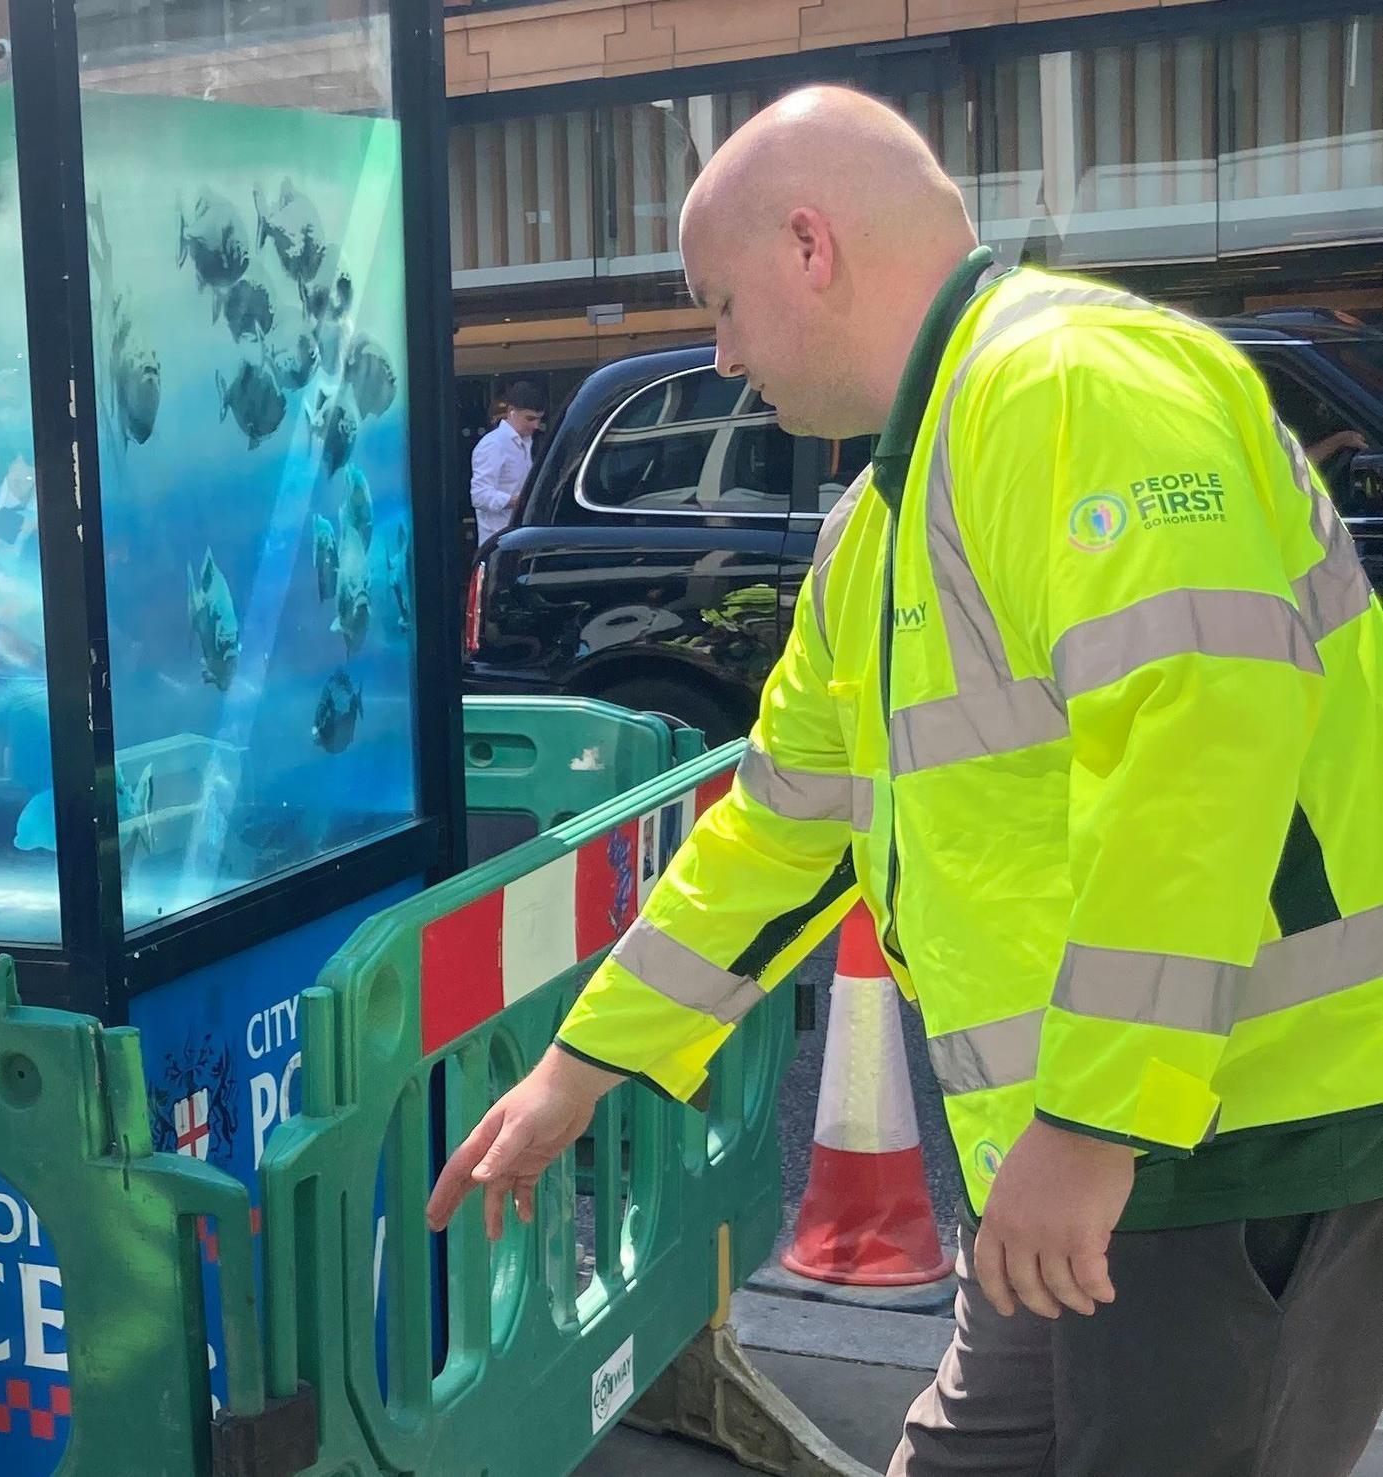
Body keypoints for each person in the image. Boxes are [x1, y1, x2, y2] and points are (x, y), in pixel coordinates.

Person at [427, 86, 1383, 1477]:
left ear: (809, 247)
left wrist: (1089, 1122)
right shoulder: (884, 516)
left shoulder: (1073, 388)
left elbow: (1199, 748)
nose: (722, 354)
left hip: (1225, 1140)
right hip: (1082, 1158)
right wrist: (580, 1069)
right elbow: (778, 831)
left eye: (722, 304)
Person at [469, 381, 544, 547]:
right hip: (497, 539)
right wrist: (518, 500)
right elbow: (479, 496)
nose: (535, 425)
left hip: (518, 535)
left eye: (539, 419)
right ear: (511, 412)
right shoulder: (493, 445)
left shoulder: (527, 442)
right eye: (530, 418)